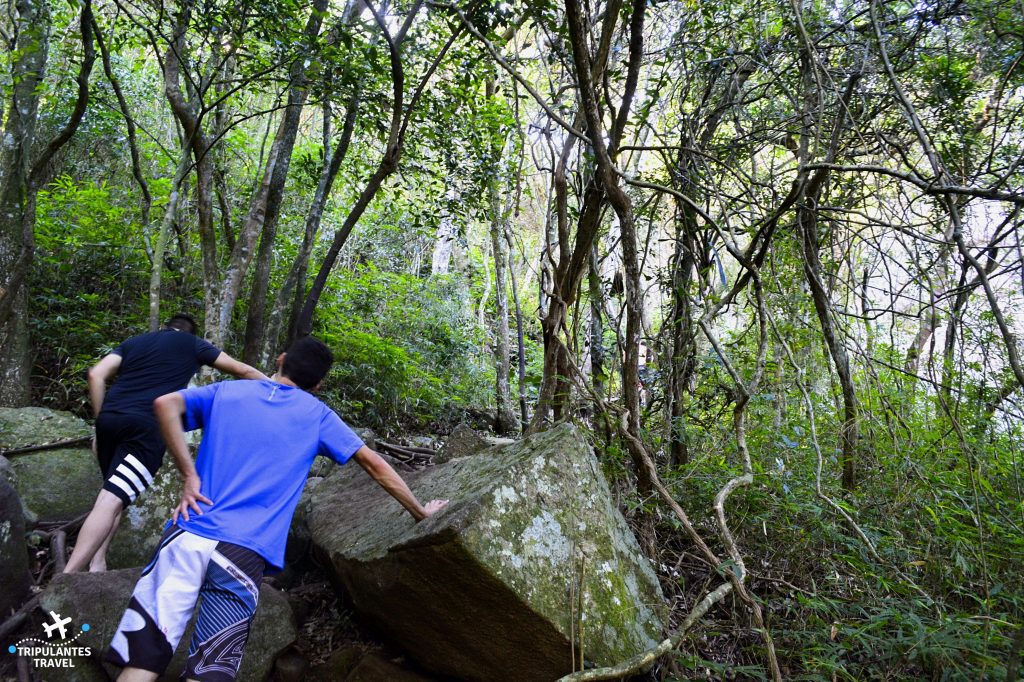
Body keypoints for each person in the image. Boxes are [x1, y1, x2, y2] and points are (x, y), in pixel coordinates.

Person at [105, 336, 448, 682]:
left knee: (144, 660)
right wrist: (420, 511)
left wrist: (188, 475)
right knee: (209, 671)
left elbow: (164, 404)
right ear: (317, 384)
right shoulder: (318, 416)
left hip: (185, 534)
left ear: (281, 359)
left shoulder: (228, 392)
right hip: (240, 553)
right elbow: (374, 464)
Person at [64, 314, 267, 574]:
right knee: (112, 498)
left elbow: (96, 375)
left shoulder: (135, 342)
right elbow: (244, 370)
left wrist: (101, 420)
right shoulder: (194, 345)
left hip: (109, 422)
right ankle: (67, 576)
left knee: (113, 495)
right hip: (146, 428)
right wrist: (280, 389)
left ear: (164, 328)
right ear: (192, 333)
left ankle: (97, 562)